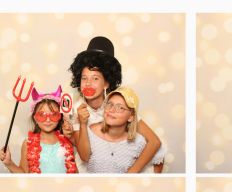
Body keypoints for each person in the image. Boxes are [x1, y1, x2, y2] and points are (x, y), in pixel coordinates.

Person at [67, 36, 164, 173]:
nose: (88, 83)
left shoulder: (118, 103)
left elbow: (154, 142)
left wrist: (131, 173)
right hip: (89, 170)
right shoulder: (75, 109)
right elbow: (84, 156)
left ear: (106, 83)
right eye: (84, 78)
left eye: (95, 78)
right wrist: (80, 125)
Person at [76, 88, 157, 174]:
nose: (112, 110)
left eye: (120, 108)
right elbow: (84, 157)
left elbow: (159, 158)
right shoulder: (91, 132)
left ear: (131, 117)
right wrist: (83, 124)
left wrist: (131, 174)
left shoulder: (139, 142)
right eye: (110, 104)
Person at [0, 86, 78, 174]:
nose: (48, 120)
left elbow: (76, 172)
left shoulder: (67, 139)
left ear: (60, 117)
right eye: (42, 115)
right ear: (35, 118)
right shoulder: (28, 143)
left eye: (53, 115)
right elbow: (24, 174)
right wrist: (9, 163)